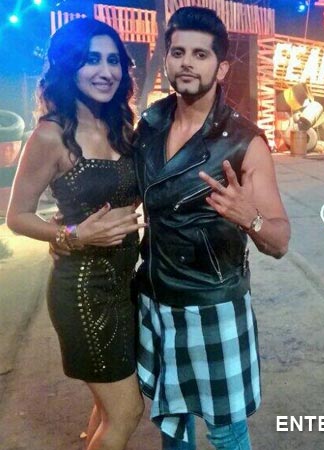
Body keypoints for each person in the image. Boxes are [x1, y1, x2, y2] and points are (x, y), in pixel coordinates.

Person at [134, 7, 291, 450]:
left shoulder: (244, 141)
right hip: (154, 296)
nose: (187, 63)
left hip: (212, 305)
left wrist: (250, 217)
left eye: (200, 54)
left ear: (220, 68)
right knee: (172, 424)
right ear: (167, 60)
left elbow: (280, 241)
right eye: (178, 52)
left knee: (226, 431)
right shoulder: (150, 124)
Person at [6, 18, 146, 450]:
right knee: (127, 410)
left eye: (113, 60)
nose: (106, 71)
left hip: (124, 283)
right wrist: (71, 235)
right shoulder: (50, 135)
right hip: (83, 290)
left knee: (107, 408)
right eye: (91, 60)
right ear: (70, 68)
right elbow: (17, 216)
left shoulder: (122, 126)